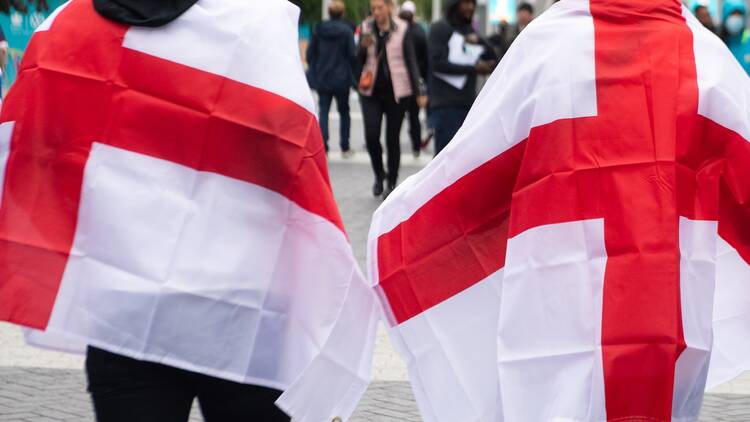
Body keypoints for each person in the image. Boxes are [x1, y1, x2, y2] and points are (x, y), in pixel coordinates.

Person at [0, 0, 379, 421]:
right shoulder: (257, 19)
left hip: (125, 297)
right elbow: (288, 148)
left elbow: (40, 140)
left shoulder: (74, 21)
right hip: (241, 300)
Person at [358, 0, 424, 198]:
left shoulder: (403, 29)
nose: (376, 12)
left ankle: (391, 182)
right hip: (371, 92)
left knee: (392, 138)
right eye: (373, 9)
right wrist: (362, 47)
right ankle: (379, 175)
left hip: (398, 92)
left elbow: (411, 60)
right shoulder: (366, 28)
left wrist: (419, 90)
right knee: (371, 137)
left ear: (389, 7)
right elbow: (358, 59)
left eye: (379, 8)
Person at [428, 0, 497, 155]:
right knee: (445, 158)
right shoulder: (440, 29)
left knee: (463, 159)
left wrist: (480, 41)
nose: (470, 7)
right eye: (465, 3)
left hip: (467, 105)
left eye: (472, 3)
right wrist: (473, 69)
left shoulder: (469, 31)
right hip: (445, 105)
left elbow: (494, 59)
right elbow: (436, 64)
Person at [306, 0, 356, 158]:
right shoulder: (347, 31)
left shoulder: (318, 29)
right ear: (342, 13)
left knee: (324, 112)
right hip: (342, 78)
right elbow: (352, 55)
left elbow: (309, 54)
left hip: (323, 77)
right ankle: (345, 146)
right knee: (344, 112)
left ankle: (324, 146)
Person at [398, 0, 428, 159]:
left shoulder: (397, 31)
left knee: (396, 117)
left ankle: (395, 145)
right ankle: (416, 146)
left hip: (400, 83)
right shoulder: (420, 31)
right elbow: (425, 58)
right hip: (416, 82)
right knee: (414, 117)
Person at [721, 0, 750, 75]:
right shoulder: (719, 43)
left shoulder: (748, 41)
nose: (735, 18)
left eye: (739, 15)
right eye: (732, 14)